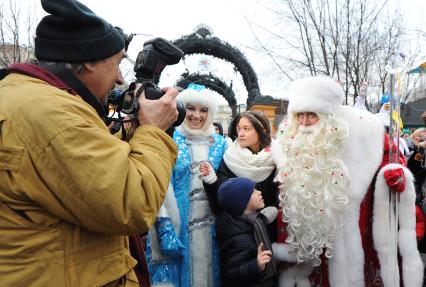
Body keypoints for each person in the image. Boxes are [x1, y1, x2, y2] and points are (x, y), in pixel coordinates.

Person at [0, 0, 179, 286]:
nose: (121, 77)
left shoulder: (34, 98)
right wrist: (154, 130)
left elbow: (84, 169)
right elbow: (131, 202)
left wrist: (132, 134)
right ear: (88, 61)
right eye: (118, 62)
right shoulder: (52, 112)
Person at [271, 76, 423, 287]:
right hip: (307, 244)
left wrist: (395, 173)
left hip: (355, 231)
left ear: (328, 116)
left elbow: (392, 158)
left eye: (312, 115)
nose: (304, 123)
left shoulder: (365, 131)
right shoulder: (288, 140)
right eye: (300, 115)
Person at [146, 85, 227, 287]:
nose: (196, 115)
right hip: (178, 229)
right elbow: (160, 187)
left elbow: (229, 186)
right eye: (191, 108)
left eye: (203, 110)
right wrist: (166, 230)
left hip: (214, 233)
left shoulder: (222, 144)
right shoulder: (169, 140)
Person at [202, 111, 278, 220]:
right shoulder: (230, 158)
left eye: (246, 129)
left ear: (262, 131)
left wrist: (273, 209)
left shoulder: (276, 156)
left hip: (267, 228)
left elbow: (282, 194)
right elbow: (219, 202)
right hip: (237, 228)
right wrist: (211, 181)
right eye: (239, 128)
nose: (240, 134)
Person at [216, 177, 278, 287]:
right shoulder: (238, 239)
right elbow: (230, 277)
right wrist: (255, 266)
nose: (259, 192)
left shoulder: (249, 223)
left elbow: (256, 221)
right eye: (253, 192)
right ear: (241, 202)